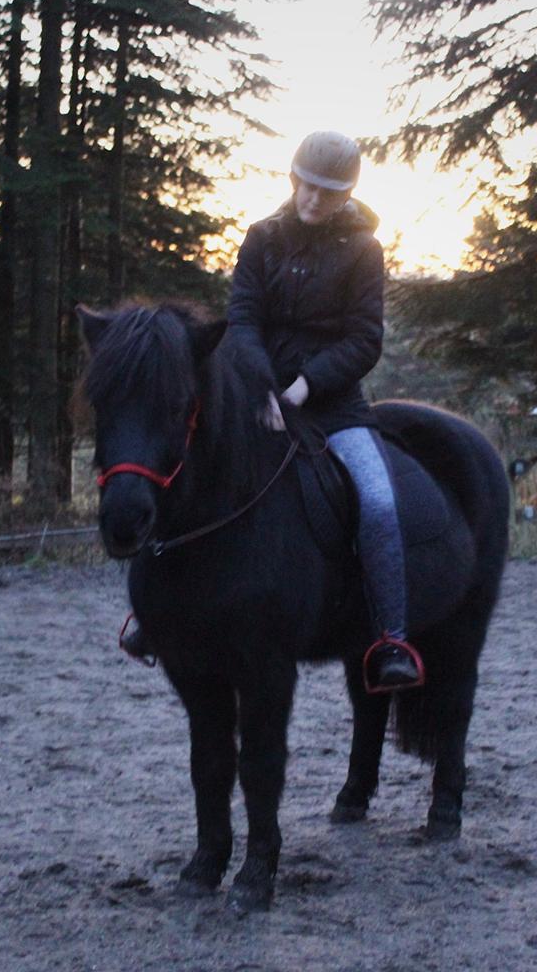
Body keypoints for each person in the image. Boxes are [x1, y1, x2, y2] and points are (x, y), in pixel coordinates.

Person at [124, 130, 422, 693]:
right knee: (180, 469)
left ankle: (391, 637)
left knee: (379, 503)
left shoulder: (364, 250)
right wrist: (261, 388)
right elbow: (242, 320)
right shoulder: (260, 238)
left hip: (333, 406)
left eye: (328, 192)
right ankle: (154, 614)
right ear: (293, 180)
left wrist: (307, 387)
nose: (313, 199)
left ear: (347, 195)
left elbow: (365, 339)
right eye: (307, 186)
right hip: (255, 396)